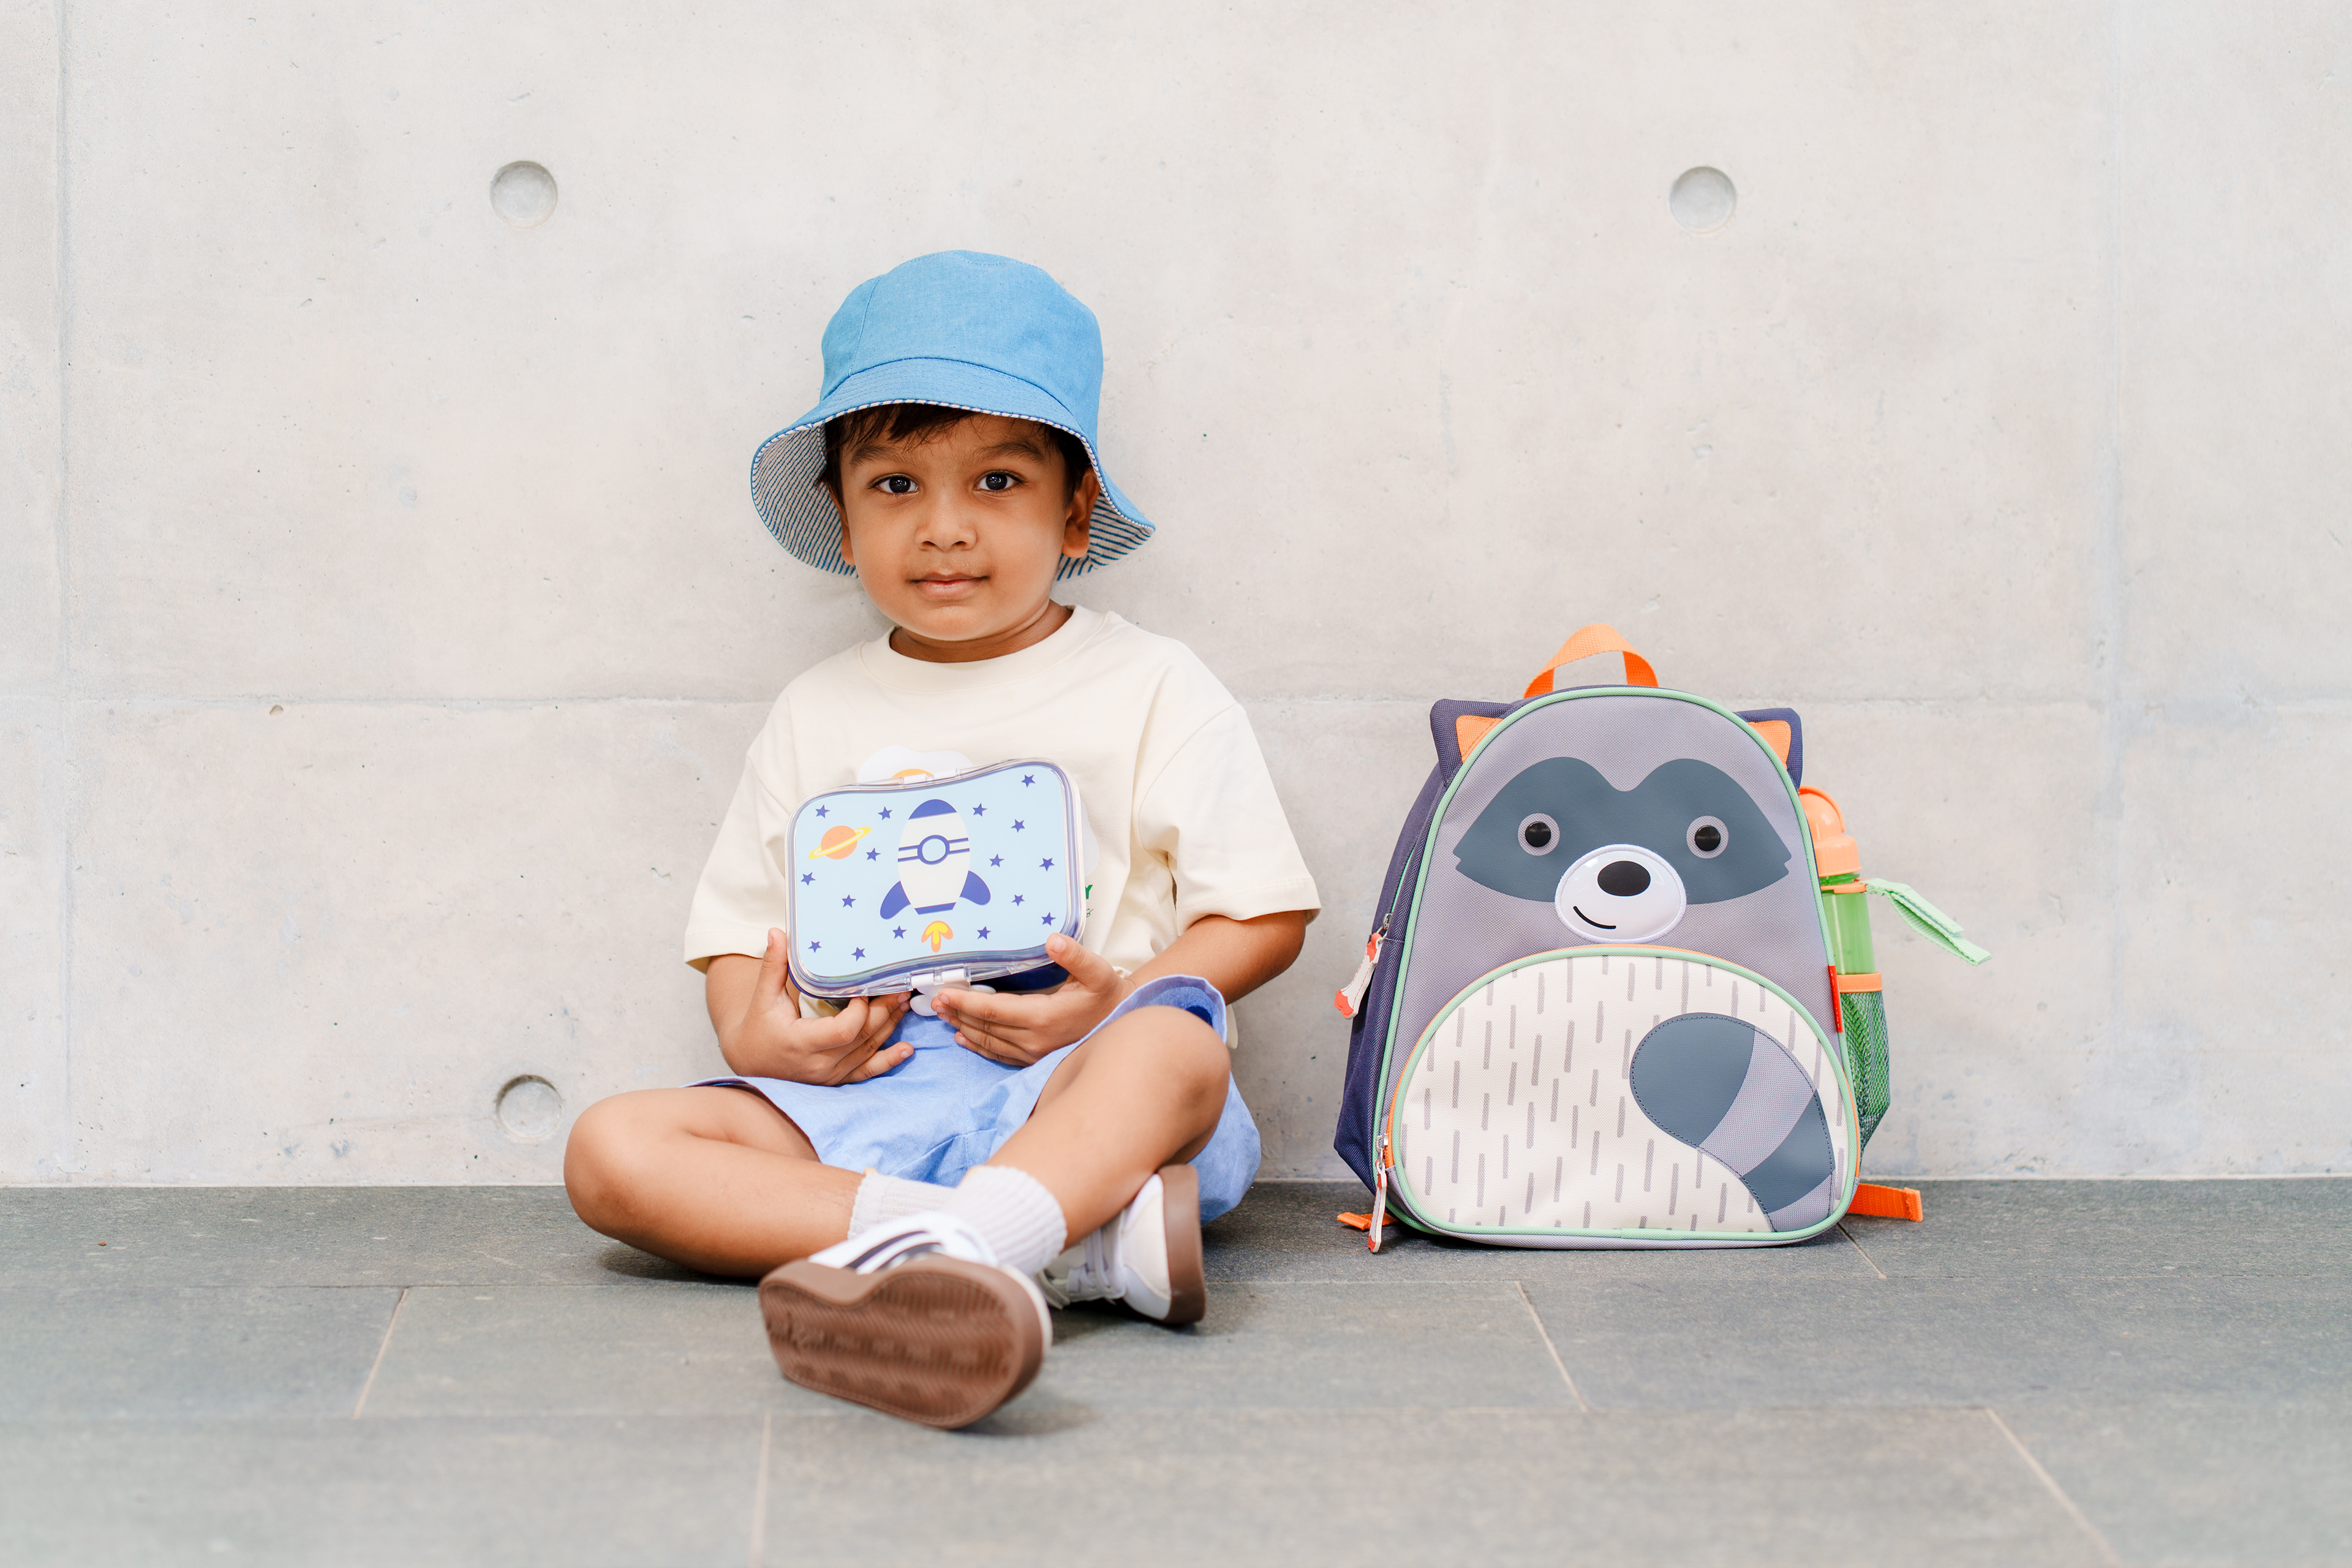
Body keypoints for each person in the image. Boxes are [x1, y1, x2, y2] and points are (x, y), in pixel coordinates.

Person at [564, 251, 1319, 1429]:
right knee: (612, 1150)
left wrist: (1114, 1003)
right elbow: (739, 940)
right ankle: (1022, 1245)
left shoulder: (1153, 685)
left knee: (1178, 1047)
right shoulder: (816, 710)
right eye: (896, 485)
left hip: (1081, 1083)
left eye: (999, 480)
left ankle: (971, 1238)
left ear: (1074, 509)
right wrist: (758, 1033)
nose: (945, 528)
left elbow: (1263, 915)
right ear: (843, 513)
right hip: (877, 1096)